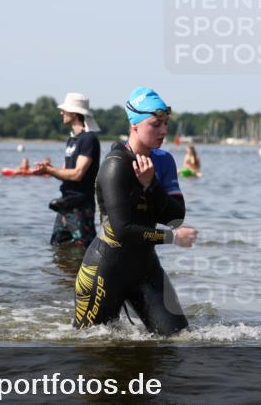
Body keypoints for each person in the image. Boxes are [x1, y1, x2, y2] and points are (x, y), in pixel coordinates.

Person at [73, 87, 198, 335]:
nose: (163, 130)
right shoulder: (115, 166)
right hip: (106, 270)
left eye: (165, 124)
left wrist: (151, 185)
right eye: (155, 124)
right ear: (135, 125)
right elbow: (122, 231)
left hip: (146, 269)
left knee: (179, 340)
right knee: (92, 349)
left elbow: (175, 217)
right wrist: (172, 238)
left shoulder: (163, 161)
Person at [36, 93, 102, 247]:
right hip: (66, 203)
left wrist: (50, 171)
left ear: (73, 113)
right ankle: (64, 271)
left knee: (84, 247)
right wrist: (48, 169)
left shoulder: (89, 139)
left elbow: (78, 174)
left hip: (81, 205)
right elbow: (66, 173)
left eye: (64, 110)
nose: (61, 113)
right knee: (58, 245)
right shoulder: (72, 140)